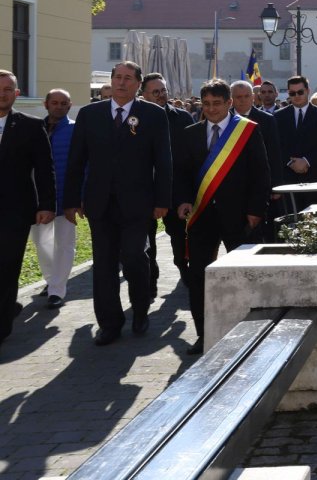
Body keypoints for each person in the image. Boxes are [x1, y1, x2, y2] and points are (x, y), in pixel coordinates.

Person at [64, 61, 172, 346]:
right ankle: (110, 323)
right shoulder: (90, 114)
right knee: (104, 265)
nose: (122, 83)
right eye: (117, 78)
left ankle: (140, 310)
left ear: (138, 84)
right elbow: (76, 160)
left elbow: (163, 161)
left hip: (138, 203)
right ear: (111, 82)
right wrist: (72, 199)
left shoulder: (153, 114)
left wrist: (163, 200)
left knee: (135, 256)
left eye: (128, 78)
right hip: (99, 203)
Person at [173, 79, 271, 354]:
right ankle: (204, 335)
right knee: (198, 277)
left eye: (217, 104)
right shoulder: (190, 133)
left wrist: (255, 212)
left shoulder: (247, 131)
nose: (211, 109)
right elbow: (180, 173)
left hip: (239, 216)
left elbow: (260, 174)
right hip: (201, 215)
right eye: (206, 104)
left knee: (245, 275)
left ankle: (250, 332)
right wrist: (181, 200)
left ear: (230, 103)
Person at [0, 70, 56, 347]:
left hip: (15, 211)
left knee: (7, 267)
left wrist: (47, 205)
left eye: (8, 89)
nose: (2, 93)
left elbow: (45, 169)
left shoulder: (30, 127)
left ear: (17, 94)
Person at [140, 72, 193, 285]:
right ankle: (150, 279)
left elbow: (192, 157)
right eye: (156, 92)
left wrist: (188, 192)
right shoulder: (135, 119)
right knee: (147, 239)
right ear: (144, 95)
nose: (161, 95)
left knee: (179, 235)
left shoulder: (183, 117)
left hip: (176, 190)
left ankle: (183, 267)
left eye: (163, 90)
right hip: (145, 190)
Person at [33, 88, 76, 308]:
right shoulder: (34, 128)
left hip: (66, 196)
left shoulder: (76, 130)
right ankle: (51, 280)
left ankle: (57, 291)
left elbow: (82, 165)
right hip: (40, 198)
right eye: (55, 102)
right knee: (42, 242)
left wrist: (79, 196)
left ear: (69, 106)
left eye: (63, 103)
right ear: (46, 104)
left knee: (65, 244)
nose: (59, 106)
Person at [230, 80, 284, 240]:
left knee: (258, 231)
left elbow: (274, 154)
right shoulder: (226, 119)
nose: (242, 100)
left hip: (259, 183)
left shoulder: (266, 119)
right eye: (238, 96)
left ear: (253, 97)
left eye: (246, 96)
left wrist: (276, 186)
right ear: (231, 98)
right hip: (232, 185)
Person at [274, 75, 317, 187]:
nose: (296, 96)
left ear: (308, 91)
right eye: (292, 93)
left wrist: (306, 161)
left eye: (300, 92)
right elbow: (276, 144)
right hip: (288, 176)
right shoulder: (278, 116)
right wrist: (291, 162)